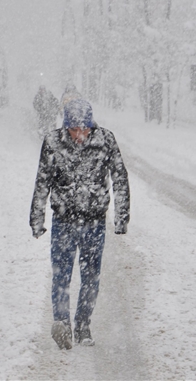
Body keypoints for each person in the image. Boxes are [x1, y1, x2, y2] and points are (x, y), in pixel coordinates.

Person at [29, 98, 130, 350]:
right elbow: (42, 181)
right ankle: (62, 325)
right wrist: (37, 218)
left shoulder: (105, 140)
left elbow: (120, 178)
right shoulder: (53, 142)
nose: (79, 135)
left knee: (91, 276)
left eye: (84, 129)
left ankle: (83, 324)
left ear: (91, 125)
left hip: (94, 222)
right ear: (66, 127)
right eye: (74, 129)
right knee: (61, 276)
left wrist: (121, 216)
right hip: (63, 221)